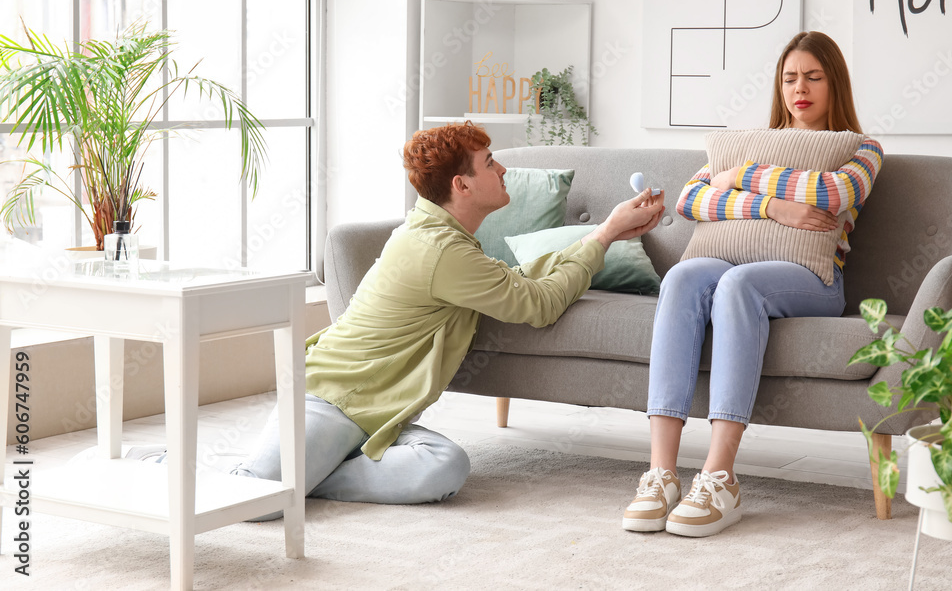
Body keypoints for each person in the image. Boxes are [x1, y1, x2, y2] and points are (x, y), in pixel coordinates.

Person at [231, 121, 665, 518]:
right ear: (462, 185)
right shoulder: (441, 249)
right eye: (490, 163)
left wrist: (601, 236)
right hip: (334, 399)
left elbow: (515, 280)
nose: (503, 169)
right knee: (256, 503)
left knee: (445, 465)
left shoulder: (448, 238)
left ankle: (305, 479)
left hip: (379, 414)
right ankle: (209, 469)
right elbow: (540, 304)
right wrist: (604, 235)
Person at [621, 32, 884, 537]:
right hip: (734, 259)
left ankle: (720, 477)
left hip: (811, 280)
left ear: (835, 83)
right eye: (789, 78)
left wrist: (742, 176)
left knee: (738, 285)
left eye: (812, 76)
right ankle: (661, 474)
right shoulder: (752, 143)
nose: (798, 88)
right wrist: (773, 205)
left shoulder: (862, 148)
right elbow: (691, 199)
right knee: (682, 276)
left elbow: (833, 192)